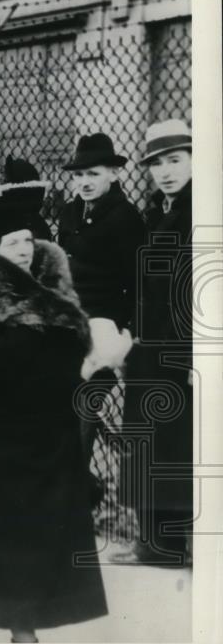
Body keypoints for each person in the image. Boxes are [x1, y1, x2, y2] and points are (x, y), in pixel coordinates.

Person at [0, 183, 108, 643]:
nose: (24, 249)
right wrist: (27, 326)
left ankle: (23, 621)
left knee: (35, 530)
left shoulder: (54, 291)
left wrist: (89, 358)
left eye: (29, 240)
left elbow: (67, 358)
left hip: (43, 432)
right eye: (12, 242)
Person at [114, 119, 194, 567]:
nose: (165, 171)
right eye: (157, 163)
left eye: (175, 160)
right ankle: (151, 542)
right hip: (149, 344)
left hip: (176, 347)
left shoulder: (197, 211)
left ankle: (166, 546)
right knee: (148, 441)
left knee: (169, 444)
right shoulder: (159, 210)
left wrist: (188, 354)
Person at [57, 133, 145, 465]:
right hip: (67, 320)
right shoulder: (68, 212)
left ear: (114, 173)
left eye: (93, 174)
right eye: (79, 175)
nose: (84, 182)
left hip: (105, 326)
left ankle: (76, 483)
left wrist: (124, 329)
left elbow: (138, 281)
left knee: (84, 400)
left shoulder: (126, 218)